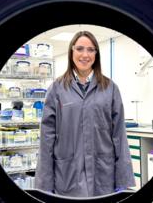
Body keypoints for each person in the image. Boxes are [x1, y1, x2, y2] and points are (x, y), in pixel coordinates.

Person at [35, 31, 135, 197]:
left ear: (96, 54)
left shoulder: (110, 88)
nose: (85, 55)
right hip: (67, 175)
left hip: (102, 175)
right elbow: (46, 140)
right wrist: (44, 185)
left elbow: (119, 135)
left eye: (90, 49)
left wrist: (123, 180)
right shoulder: (57, 89)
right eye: (80, 49)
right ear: (71, 52)